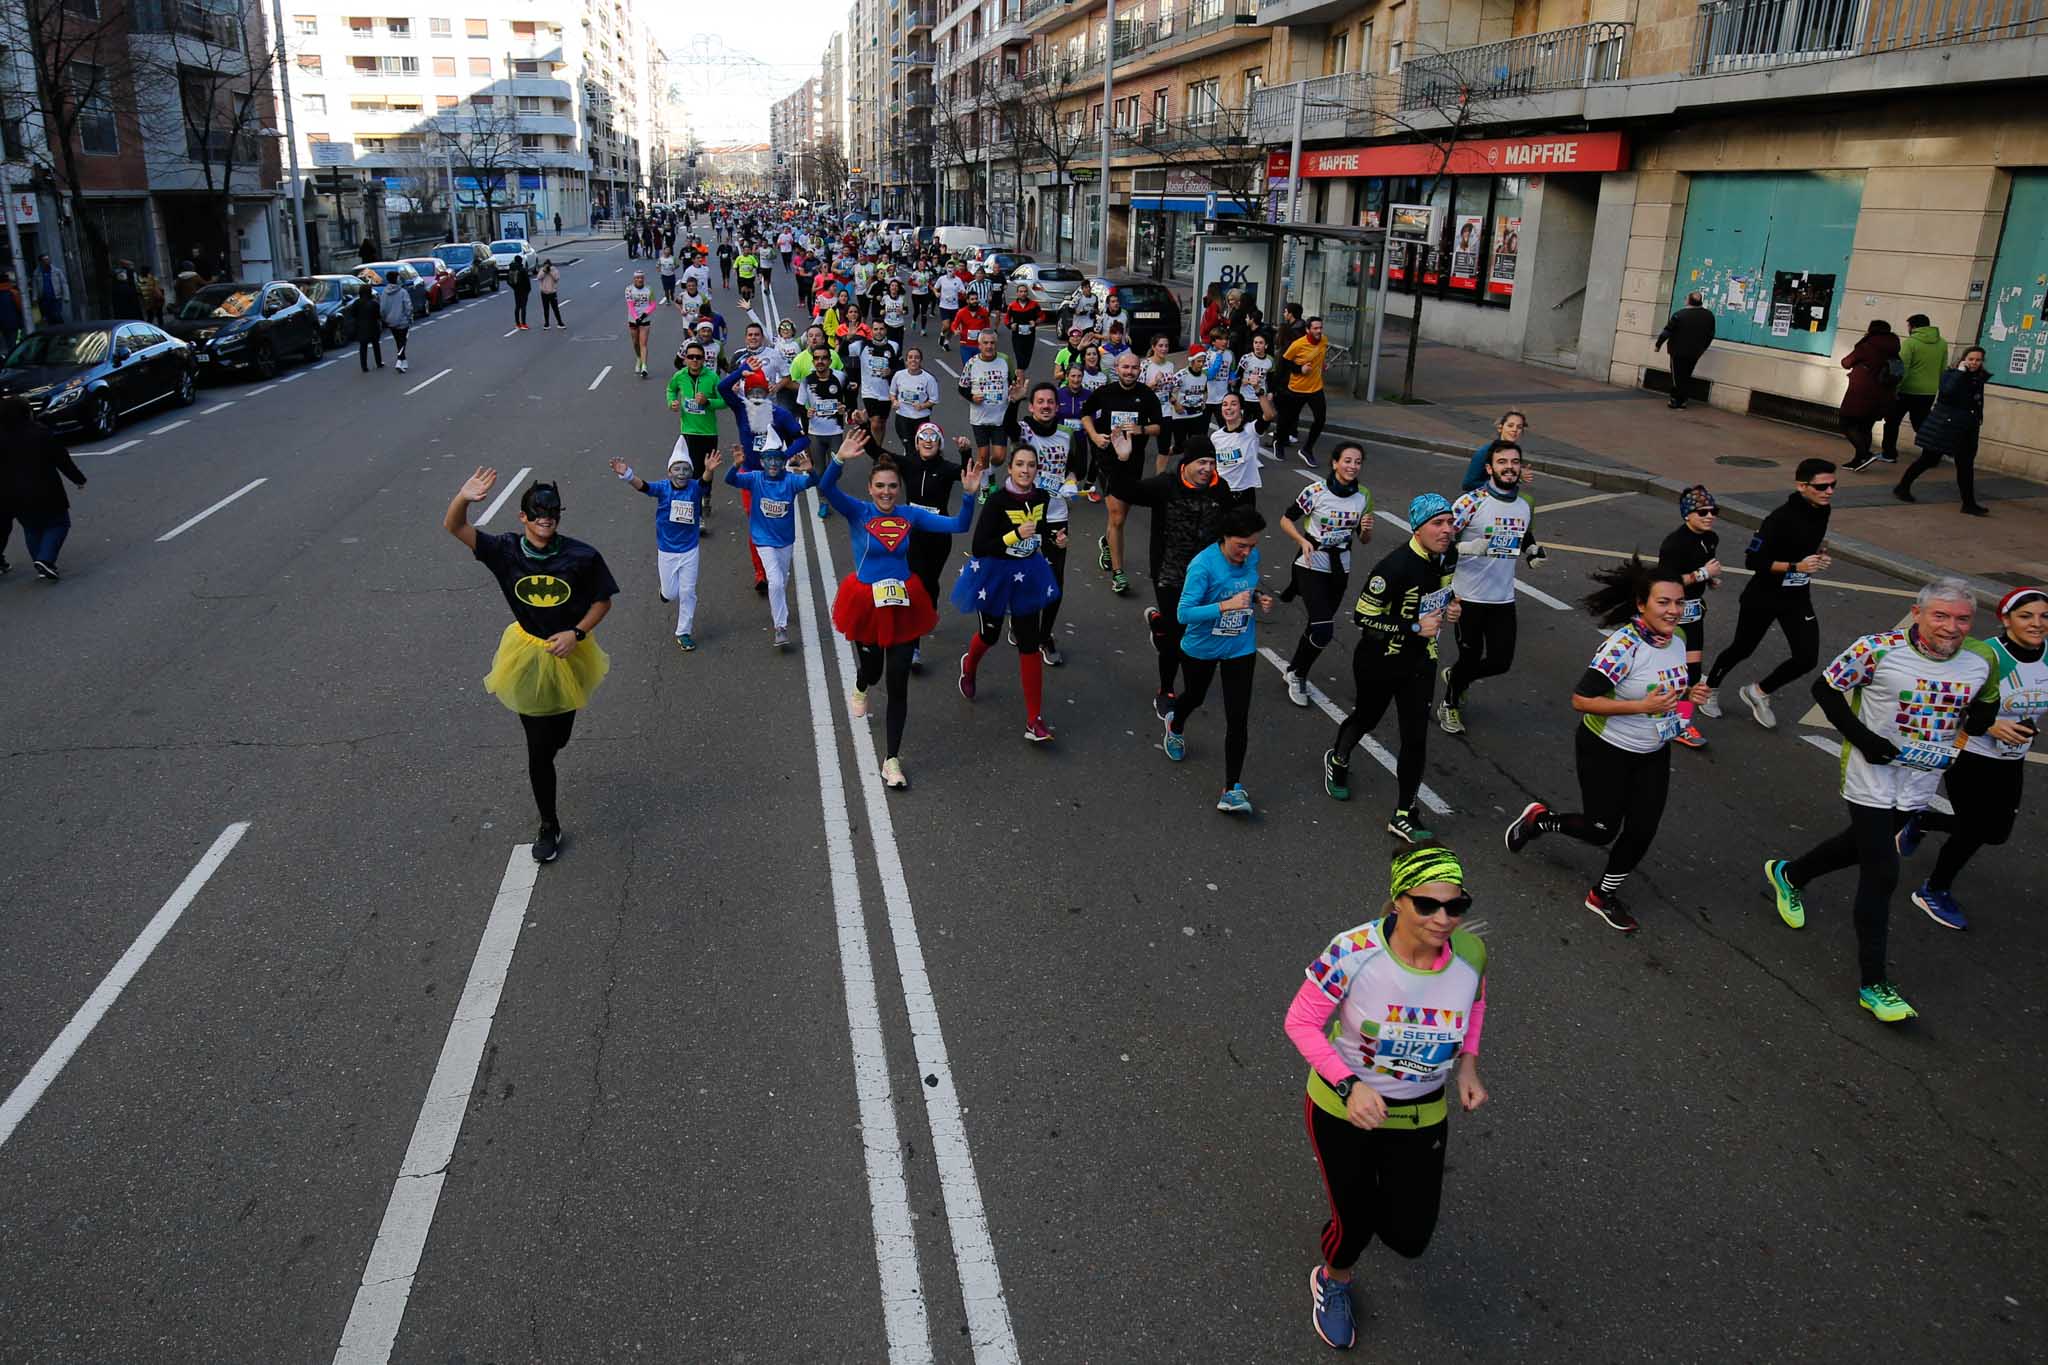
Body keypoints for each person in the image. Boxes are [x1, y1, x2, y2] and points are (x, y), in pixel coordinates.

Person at [1761, 579, 1996, 1022]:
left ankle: (1789, 873)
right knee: (1882, 871)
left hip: (1921, 779)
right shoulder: (1878, 648)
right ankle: (1874, 985)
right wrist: (1864, 739)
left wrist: (1982, 719)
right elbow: (1824, 690)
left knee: (1858, 845)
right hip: (1871, 776)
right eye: (1940, 616)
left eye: (1962, 618)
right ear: (1917, 612)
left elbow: (1985, 703)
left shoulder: (1979, 660)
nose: (1951, 627)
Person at [1286, 842, 1489, 1353]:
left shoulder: (1471, 955)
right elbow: (1302, 1022)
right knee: (1354, 1225)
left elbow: (1476, 1004)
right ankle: (1334, 1279)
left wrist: (1468, 1065)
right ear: (1398, 900)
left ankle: (1363, 1200)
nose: (1444, 919)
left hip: (1421, 1115)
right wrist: (1348, 1085)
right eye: (1428, 905)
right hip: (1343, 1111)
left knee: (1409, 1238)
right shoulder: (1352, 952)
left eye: (1456, 906)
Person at [1503, 556, 1703, 932]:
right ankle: (1538, 821)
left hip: (1653, 751)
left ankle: (1602, 895)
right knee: (1600, 830)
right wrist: (1640, 706)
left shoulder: (1678, 638)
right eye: (1664, 602)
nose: (1674, 610)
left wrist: (1692, 694)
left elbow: (1675, 689)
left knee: (1642, 829)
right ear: (1642, 605)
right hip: (1606, 748)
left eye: (1678, 602)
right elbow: (1581, 700)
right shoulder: (1622, 647)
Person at [445, 471, 617, 865]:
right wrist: (463, 497)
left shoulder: (582, 556)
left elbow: (603, 601)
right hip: (525, 655)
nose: (546, 519)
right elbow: (454, 526)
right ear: (523, 517)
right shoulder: (505, 551)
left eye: (552, 513)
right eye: (537, 514)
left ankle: (552, 747)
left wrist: (577, 632)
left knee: (559, 737)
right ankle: (548, 824)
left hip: (570, 654)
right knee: (539, 751)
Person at [820, 428, 985, 789]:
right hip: (865, 601)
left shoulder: (910, 514)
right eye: (880, 486)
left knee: (898, 683)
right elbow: (827, 489)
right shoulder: (858, 511)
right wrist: (838, 459)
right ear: (870, 488)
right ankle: (862, 684)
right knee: (874, 670)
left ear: (899, 488)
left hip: (901, 602)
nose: (886, 492)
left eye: (892, 486)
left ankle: (891, 759)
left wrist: (970, 496)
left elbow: (958, 525)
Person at [1894, 587, 2045, 928]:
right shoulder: (1982, 656)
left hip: (2013, 756)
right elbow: (1941, 702)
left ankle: (1922, 820)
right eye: (2025, 616)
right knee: (1975, 829)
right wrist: (1990, 724)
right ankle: (1934, 890)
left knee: (1997, 832)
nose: (2036, 623)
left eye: (2044, 616)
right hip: (1969, 751)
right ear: (2005, 619)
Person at [1324, 494, 1461, 845]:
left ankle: (1404, 813)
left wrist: (1451, 607)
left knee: (1416, 737)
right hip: (1379, 660)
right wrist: (1413, 627)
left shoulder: (1449, 556)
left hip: (1421, 661)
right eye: (1438, 523)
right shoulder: (1394, 566)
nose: (1447, 530)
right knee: (1367, 718)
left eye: (1449, 522)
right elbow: (1363, 615)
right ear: (1417, 528)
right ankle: (1338, 758)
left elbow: (1442, 593)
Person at [1704, 457, 1835, 728]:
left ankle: (1758, 692)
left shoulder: (1823, 510)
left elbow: (1809, 543)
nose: (1829, 492)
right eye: (1822, 487)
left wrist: (1819, 555)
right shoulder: (1779, 519)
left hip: (1797, 596)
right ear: (1802, 486)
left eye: (1833, 485)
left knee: (1806, 658)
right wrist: (1795, 565)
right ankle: (1709, 689)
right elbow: (1753, 561)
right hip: (1763, 596)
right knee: (1742, 648)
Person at [952, 441, 1064, 743]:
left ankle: (1034, 720)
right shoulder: (997, 501)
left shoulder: (1040, 496)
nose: (1025, 470)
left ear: (1037, 469)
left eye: (1031, 465)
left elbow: (1039, 531)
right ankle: (969, 665)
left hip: (1027, 572)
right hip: (995, 575)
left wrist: (1055, 539)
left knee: (1029, 643)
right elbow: (979, 547)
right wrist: (1015, 535)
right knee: (990, 635)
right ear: (1010, 468)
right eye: (1020, 465)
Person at [1167, 504, 1275, 813]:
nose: (1247, 553)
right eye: (1241, 546)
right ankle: (1175, 723)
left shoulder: (1251, 556)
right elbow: (1184, 613)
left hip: (1240, 646)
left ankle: (1232, 788)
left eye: (1252, 546)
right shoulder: (1203, 566)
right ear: (1224, 537)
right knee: (1195, 697)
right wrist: (1226, 606)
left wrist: (1256, 597)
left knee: (1238, 717)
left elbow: (1245, 585)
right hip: (1202, 647)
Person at [1438, 442, 1541, 736]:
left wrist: (1532, 549)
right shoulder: (1470, 502)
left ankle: (1458, 676)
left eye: (1515, 462)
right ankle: (1450, 702)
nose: (1509, 467)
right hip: (1467, 597)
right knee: (1469, 657)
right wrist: (1466, 547)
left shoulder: (1524, 504)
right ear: (1489, 468)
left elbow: (1520, 531)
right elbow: (1439, 542)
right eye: (1502, 461)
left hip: (1502, 598)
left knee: (1500, 661)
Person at [1129, 437, 1235, 720]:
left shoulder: (1220, 489)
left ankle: (1160, 623)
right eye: (1202, 462)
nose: (1207, 468)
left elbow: (1233, 524)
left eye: (1212, 463)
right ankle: (1166, 690)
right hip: (1170, 572)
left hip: (1204, 575)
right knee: (1177, 637)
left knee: (1193, 627)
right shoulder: (1165, 485)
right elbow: (1125, 490)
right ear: (1186, 463)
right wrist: (1125, 459)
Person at [1279, 442, 1373, 706]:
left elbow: (1364, 539)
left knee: (1317, 625)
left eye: (1357, 462)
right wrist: (1302, 540)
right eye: (1347, 460)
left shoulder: (1363, 495)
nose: (1352, 466)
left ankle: (1294, 669)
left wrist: (1365, 529)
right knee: (1323, 628)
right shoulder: (1316, 491)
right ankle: (1299, 675)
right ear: (1334, 463)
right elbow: (1286, 519)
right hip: (1311, 561)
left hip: (1340, 565)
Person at [1002, 381, 1089, 667]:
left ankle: (1044, 635)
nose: (1046, 406)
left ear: (1057, 405)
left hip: (1055, 515)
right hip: (1024, 514)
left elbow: (1077, 465)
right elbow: (1009, 429)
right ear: (1032, 406)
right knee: (1021, 574)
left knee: (1054, 581)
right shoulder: (1025, 430)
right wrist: (1013, 402)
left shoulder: (1066, 433)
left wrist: (1073, 481)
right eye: (1040, 401)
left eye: (1050, 401)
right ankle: (1018, 620)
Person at [609, 446, 720, 649]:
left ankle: (683, 632)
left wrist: (709, 469)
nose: (681, 474)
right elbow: (643, 486)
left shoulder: (695, 487)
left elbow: (704, 481)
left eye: (686, 469)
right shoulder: (662, 488)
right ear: (669, 472)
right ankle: (664, 592)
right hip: (667, 550)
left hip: (690, 550)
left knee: (688, 592)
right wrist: (627, 474)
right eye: (677, 469)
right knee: (670, 594)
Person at [1081, 350, 1165, 597]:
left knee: (1121, 517)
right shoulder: (1105, 393)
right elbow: (1086, 414)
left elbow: (1159, 427)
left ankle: (1107, 543)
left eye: (1134, 368)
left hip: (1133, 462)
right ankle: (1119, 574)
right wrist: (1095, 436)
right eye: (1125, 367)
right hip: (1107, 460)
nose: (1130, 372)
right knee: (1116, 516)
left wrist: (1141, 429)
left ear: (1140, 370)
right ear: (1116, 368)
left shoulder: (1146, 395)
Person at [724, 439, 817, 650]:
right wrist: (736, 465)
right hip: (762, 539)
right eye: (769, 459)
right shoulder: (755, 479)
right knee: (774, 581)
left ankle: (780, 608)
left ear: (783, 461)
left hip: (785, 540)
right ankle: (780, 628)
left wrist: (811, 472)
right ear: (762, 462)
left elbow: (812, 483)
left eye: (777, 459)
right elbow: (730, 480)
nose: (773, 464)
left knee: (782, 579)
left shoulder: (791, 481)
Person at [1653, 486, 1724, 750]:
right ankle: (1653, 711)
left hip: (1693, 613)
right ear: (1687, 515)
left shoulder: (1711, 538)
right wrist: (1702, 575)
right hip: (1671, 617)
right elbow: (1665, 582)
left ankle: (1681, 724)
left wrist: (1711, 579)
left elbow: (1705, 567)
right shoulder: (1674, 544)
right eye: (1702, 512)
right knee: (1667, 671)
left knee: (1692, 673)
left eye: (1713, 511)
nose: (1709, 516)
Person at [899, 422, 967, 671]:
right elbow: (876, 452)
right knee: (915, 585)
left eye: (933, 438)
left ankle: (930, 610)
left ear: (939, 444)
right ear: (916, 444)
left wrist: (966, 452)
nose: (928, 441)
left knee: (929, 584)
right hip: (912, 536)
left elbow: (967, 474)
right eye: (923, 438)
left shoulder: (946, 469)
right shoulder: (908, 464)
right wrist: (863, 424)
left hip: (939, 537)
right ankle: (914, 647)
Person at [1893, 345, 1990, 515]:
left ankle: (1968, 503)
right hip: (1945, 425)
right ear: (1963, 360)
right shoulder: (1952, 374)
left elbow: (1976, 401)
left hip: (1967, 427)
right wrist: (1960, 372)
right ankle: (1902, 486)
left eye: (1978, 360)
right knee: (1928, 459)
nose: (1974, 363)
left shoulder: (1978, 377)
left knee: (1965, 465)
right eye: (1971, 359)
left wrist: (1978, 418)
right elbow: (1946, 392)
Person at [1, 396, 87, 580]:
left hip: (13, 494)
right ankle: (45, 560)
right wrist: (78, 479)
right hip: (45, 488)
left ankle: (39, 560)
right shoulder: (41, 433)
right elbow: (62, 459)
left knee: (31, 528)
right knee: (59, 523)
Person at [1838, 319, 1901, 471]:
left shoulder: (1867, 345)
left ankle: (1864, 454)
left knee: (1846, 423)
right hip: (1883, 394)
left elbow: (1846, 362)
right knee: (1866, 427)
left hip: (1861, 393)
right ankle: (1859, 460)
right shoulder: (1894, 345)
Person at [1883, 314, 1945, 461]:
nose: (1908, 329)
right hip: (1929, 391)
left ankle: (1889, 453)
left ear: (1914, 327)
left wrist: (1896, 388)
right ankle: (1932, 454)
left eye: (1909, 326)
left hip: (1907, 390)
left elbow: (1903, 368)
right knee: (1922, 425)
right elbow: (1943, 368)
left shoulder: (1910, 343)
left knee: (1892, 421)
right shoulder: (1942, 343)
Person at [958, 328, 1018, 472]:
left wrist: (1014, 391)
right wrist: (972, 397)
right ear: (979, 345)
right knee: (984, 455)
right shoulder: (972, 363)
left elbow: (1012, 381)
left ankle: (988, 471)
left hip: (1000, 417)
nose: (989, 346)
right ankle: (984, 488)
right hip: (980, 418)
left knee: (999, 457)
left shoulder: (1004, 361)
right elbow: (962, 387)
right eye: (985, 343)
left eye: (992, 343)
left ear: (996, 344)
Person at [1277, 316, 1329, 469]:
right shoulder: (1298, 345)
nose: (1319, 331)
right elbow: (1284, 363)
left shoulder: (1324, 341)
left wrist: (1322, 366)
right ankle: (1279, 443)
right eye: (1315, 328)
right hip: (1297, 389)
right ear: (1307, 330)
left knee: (1320, 419)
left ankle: (1307, 449)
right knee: (1288, 419)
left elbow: (1319, 356)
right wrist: (1300, 369)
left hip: (1316, 388)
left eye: (1320, 328)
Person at [1653, 292, 1716, 409]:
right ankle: (1683, 399)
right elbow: (1710, 335)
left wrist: (1658, 345)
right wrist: (1703, 348)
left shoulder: (1679, 315)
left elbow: (1667, 331)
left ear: (1689, 301)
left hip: (1677, 350)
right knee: (1686, 374)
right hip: (1695, 352)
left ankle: (1676, 400)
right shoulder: (1709, 316)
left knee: (1677, 376)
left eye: (1686, 298)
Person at [1458, 410, 1530, 493]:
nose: (1515, 429)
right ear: (1500, 428)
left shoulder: (1515, 452)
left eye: (1519, 427)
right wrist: (1499, 485)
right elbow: (1468, 484)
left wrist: (1518, 477)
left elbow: (1505, 480)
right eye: (1510, 426)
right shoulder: (1484, 452)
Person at [888, 345, 940, 453]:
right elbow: (892, 393)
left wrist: (922, 406)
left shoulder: (929, 379)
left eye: (916, 357)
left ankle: (914, 463)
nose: (913, 360)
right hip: (902, 416)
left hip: (920, 418)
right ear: (906, 361)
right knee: (908, 445)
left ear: (920, 360)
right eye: (910, 357)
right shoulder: (898, 375)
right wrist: (894, 401)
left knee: (918, 446)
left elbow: (934, 400)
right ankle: (909, 459)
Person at [378, 268, 413, 373]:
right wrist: (409, 316)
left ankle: (403, 361)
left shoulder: (384, 292)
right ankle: (399, 360)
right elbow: (408, 306)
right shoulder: (402, 292)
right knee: (403, 341)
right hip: (402, 320)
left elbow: (382, 308)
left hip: (391, 321)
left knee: (398, 341)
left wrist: (385, 318)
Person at [623, 270, 656, 377]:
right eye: (637, 278)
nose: (639, 280)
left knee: (643, 343)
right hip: (633, 319)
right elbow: (630, 305)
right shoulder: (629, 289)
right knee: (635, 343)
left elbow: (653, 304)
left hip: (645, 319)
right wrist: (636, 318)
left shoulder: (649, 289)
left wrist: (644, 315)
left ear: (644, 279)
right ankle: (638, 358)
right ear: (634, 279)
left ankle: (644, 367)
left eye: (641, 278)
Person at [353, 273, 385, 371]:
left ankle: (364, 366)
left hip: (361, 327)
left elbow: (353, 314)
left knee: (363, 347)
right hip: (373, 326)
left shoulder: (356, 303)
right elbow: (378, 315)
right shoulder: (374, 303)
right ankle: (378, 362)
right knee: (376, 345)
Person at [1004, 288, 1042, 372]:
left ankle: (1019, 376)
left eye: (1025, 291)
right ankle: (1019, 380)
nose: (1023, 293)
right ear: (1017, 293)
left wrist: (1035, 322)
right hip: (1017, 335)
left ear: (1027, 293)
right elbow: (1006, 318)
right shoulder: (1012, 305)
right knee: (1020, 358)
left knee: (1026, 360)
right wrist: (1010, 325)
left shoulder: (1034, 304)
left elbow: (1042, 316)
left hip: (1030, 336)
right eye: (1021, 292)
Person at [508, 256, 532, 330]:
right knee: (523, 307)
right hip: (524, 290)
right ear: (521, 261)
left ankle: (517, 323)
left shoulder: (512, 269)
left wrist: (514, 287)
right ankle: (524, 324)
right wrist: (528, 289)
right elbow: (527, 281)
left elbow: (508, 281)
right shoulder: (522, 270)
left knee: (517, 306)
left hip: (516, 290)